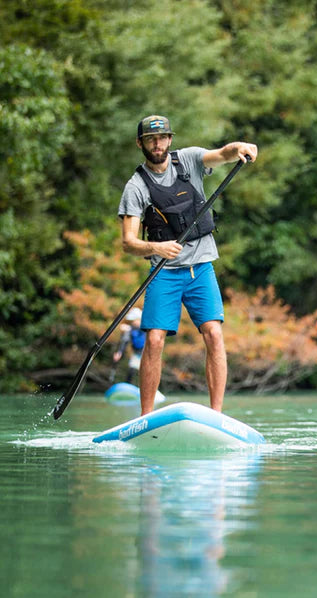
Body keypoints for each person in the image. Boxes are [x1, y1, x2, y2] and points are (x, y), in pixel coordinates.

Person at [118, 114, 258, 415]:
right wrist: (156, 247)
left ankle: (217, 415)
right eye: (150, 139)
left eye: (162, 137)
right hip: (163, 272)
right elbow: (128, 242)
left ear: (170, 139)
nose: (157, 144)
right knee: (154, 341)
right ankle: (145, 418)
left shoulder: (190, 160)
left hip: (201, 268)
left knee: (214, 333)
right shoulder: (136, 186)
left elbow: (223, 153)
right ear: (141, 143)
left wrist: (241, 147)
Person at [112, 307, 145, 384]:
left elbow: (142, 330)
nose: (132, 322)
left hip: (146, 354)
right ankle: (128, 387)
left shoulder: (144, 327)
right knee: (131, 370)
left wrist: (129, 328)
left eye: (133, 320)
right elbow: (124, 342)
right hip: (137, 353)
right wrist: (119, 353)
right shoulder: (131, 329)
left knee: (145, 372)